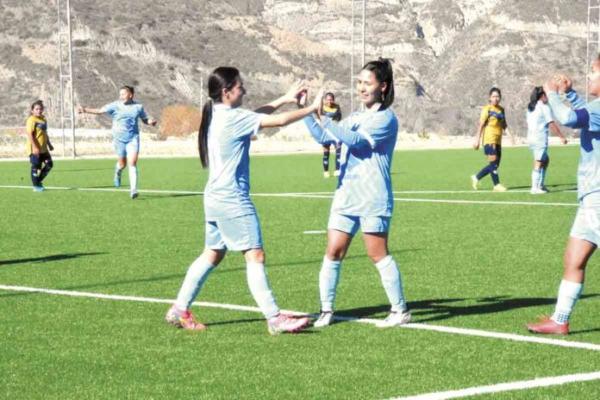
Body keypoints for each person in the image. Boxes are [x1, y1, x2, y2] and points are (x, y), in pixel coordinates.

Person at [165, 67, 322, 335]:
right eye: (240, 87)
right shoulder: (233, 118)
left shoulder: (217, 113)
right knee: (255, 254)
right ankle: (274, 318)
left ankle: (179, 309)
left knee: (212, 254)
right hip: (232, 200)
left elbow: (257, 115)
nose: (244, 90)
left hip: (214, 197)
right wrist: (312, 109)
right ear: (227, 93)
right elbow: (280, 122)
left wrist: (285, 97)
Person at [303, 58, 410, 328]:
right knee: (333, 251)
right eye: (359, 82)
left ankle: (399, 310)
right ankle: (326, 310)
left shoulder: (385, 119)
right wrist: (305, 111)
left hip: (372, 197)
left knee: (377, 253)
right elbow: (324, 138)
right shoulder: (356, 117)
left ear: (383, 87)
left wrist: (322, 117)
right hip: (346, 196)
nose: (361, 88)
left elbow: (354, 140)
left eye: (367, 83)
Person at [527, 69, 600, 335]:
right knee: (573, 258)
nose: (589, 77)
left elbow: (570, 118)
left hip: (598, 197)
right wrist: (569, 93)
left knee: (574, 259)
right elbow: (584, 115)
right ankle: (560, 320)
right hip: (590, 197)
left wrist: (554, 93)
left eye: (593, 73)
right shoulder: (596, 108)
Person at [77, 86, 157, 199]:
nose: (121, 96)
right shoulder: (115, 105)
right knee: (122, 164)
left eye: (123, 94)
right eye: (120, 94)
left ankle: (133, 190)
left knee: (132, 163)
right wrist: (85, 109)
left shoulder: (138, 107)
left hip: (133, 138)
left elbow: (144, 119)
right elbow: (100, 111)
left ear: (131, 95)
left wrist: (150, 122)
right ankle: (118, 171)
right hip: (119, 139)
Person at [526, 86, 568, 194]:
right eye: (546, 95)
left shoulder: (530, 107)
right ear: (542, 96)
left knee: (545, 160)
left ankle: (541, 185)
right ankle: (534, 188)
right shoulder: (544, 107)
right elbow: (551, 123)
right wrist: (561, 137)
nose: (547, 98)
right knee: (538, 161)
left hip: (530, 137)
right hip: (539, 138)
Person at [471, 87, 508, 192]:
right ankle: (496, 185)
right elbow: (481, 125)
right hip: (489, 139)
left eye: (497, 96)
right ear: (490, 98)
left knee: (495, 165)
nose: (496, 98)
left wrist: (511, 135)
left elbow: (504, 124)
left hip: (498, 140)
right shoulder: (487, 109)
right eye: (493, 96)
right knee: (493, 163)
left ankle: (476, 177)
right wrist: (477, 139)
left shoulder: (501, 109)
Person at [26, 100, 54, 192]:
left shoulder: (43, 120)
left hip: (44, 149)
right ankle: (36, 187)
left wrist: (49, 144)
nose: (39, 110)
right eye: (36, 109)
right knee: (36, 167)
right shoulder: (31, 120)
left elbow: (44, 133)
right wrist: (35, 147)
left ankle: (37, 182)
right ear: (32, 110)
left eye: (40, 109)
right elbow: (30, 134)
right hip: (35, 149)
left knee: (49, 164)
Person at [321, 92, 342, 178]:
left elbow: (339, 118)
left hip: (334, 132)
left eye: (331, 99)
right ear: (325, 100)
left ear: (333, 100)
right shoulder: (322, 107)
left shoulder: (337, 107)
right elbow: (319, 116)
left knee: (338, 149)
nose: (330, 101)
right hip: (325, 132)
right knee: (326, 151)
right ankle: (326, 171)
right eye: (328, 99)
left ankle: (337, 170)